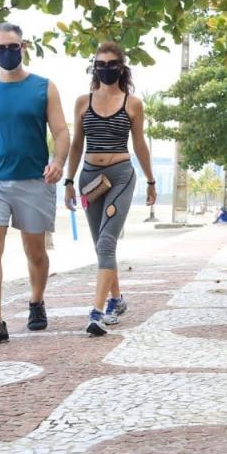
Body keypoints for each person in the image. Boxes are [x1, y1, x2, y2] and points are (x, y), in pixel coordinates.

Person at [0, 22, 70, 347]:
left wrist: (58, 161)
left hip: (35, 178)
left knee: (35, 252)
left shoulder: (44, 87)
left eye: (12, 47)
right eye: (0, 48)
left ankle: (36, 300)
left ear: (24, 46)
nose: (7, 52)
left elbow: (61, 131)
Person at [64, 42, 157, 336]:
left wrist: (151, 180)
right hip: (89, 178)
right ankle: (117, 299)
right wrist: (68, 181)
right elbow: (77, 143)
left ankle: (97, 312)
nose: (105, 69)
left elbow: (139, 143)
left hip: (120, 176)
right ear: (94, 67)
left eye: (111, 64)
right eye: (99, 65)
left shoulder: (133, 103)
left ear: (122, 67)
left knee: (106, 242)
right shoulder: (82, 102)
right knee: (101, 245)